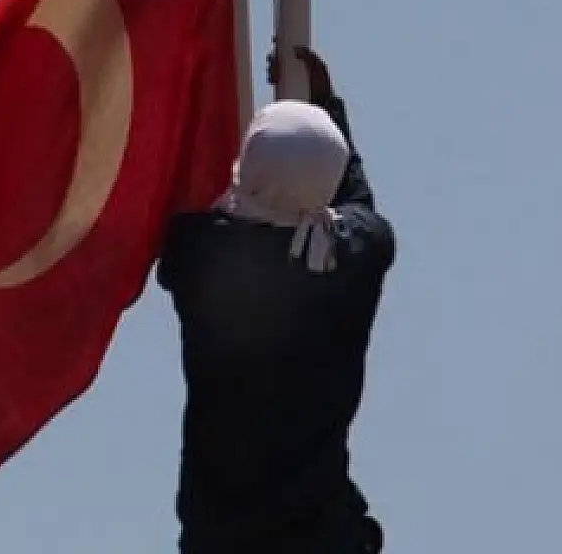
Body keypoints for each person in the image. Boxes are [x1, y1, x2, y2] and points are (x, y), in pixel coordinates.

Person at [157, 46, 395, 553]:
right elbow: (357, 202)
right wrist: (326, 107)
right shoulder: (355, 258)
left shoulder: (203, 255)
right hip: (325, 537)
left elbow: (182, 221)